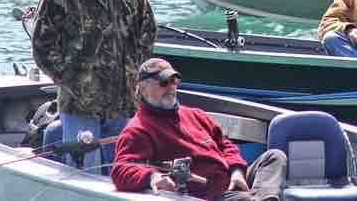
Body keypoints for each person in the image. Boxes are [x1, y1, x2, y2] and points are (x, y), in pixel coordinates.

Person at [31, 0, 157, 173]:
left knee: (122, 172)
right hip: (81, 104)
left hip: (123, 103)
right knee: (82, 173)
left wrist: (134, 73)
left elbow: (147, 31)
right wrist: (73, 80)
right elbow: (43, 44)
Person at [112, 58, 287, 199]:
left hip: (232, 180)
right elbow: (121, 169)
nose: (172, 87)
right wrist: (152, 177)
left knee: (274, 157)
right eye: (164, 82)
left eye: (174, 80)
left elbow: (225, 145)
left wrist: (237, 172)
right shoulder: (138, 129)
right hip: (210, 195)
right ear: (143, 89)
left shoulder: (195, 114)